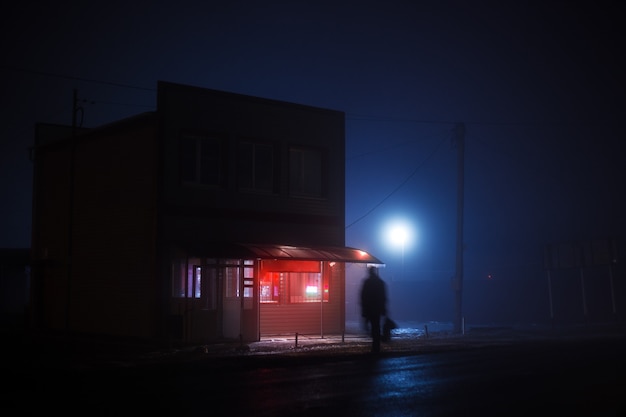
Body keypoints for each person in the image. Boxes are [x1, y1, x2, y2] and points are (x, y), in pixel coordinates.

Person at [360, 266, 387, 353]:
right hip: (377, 309)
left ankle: (375, 343)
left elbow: (363, 297)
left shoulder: (367, 283)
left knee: (370, 327)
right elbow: (383, 297)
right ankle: (376, 345)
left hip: (369, 309)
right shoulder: (380, 282)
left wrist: (364, 310)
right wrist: (383, 309)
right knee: (376, 326)